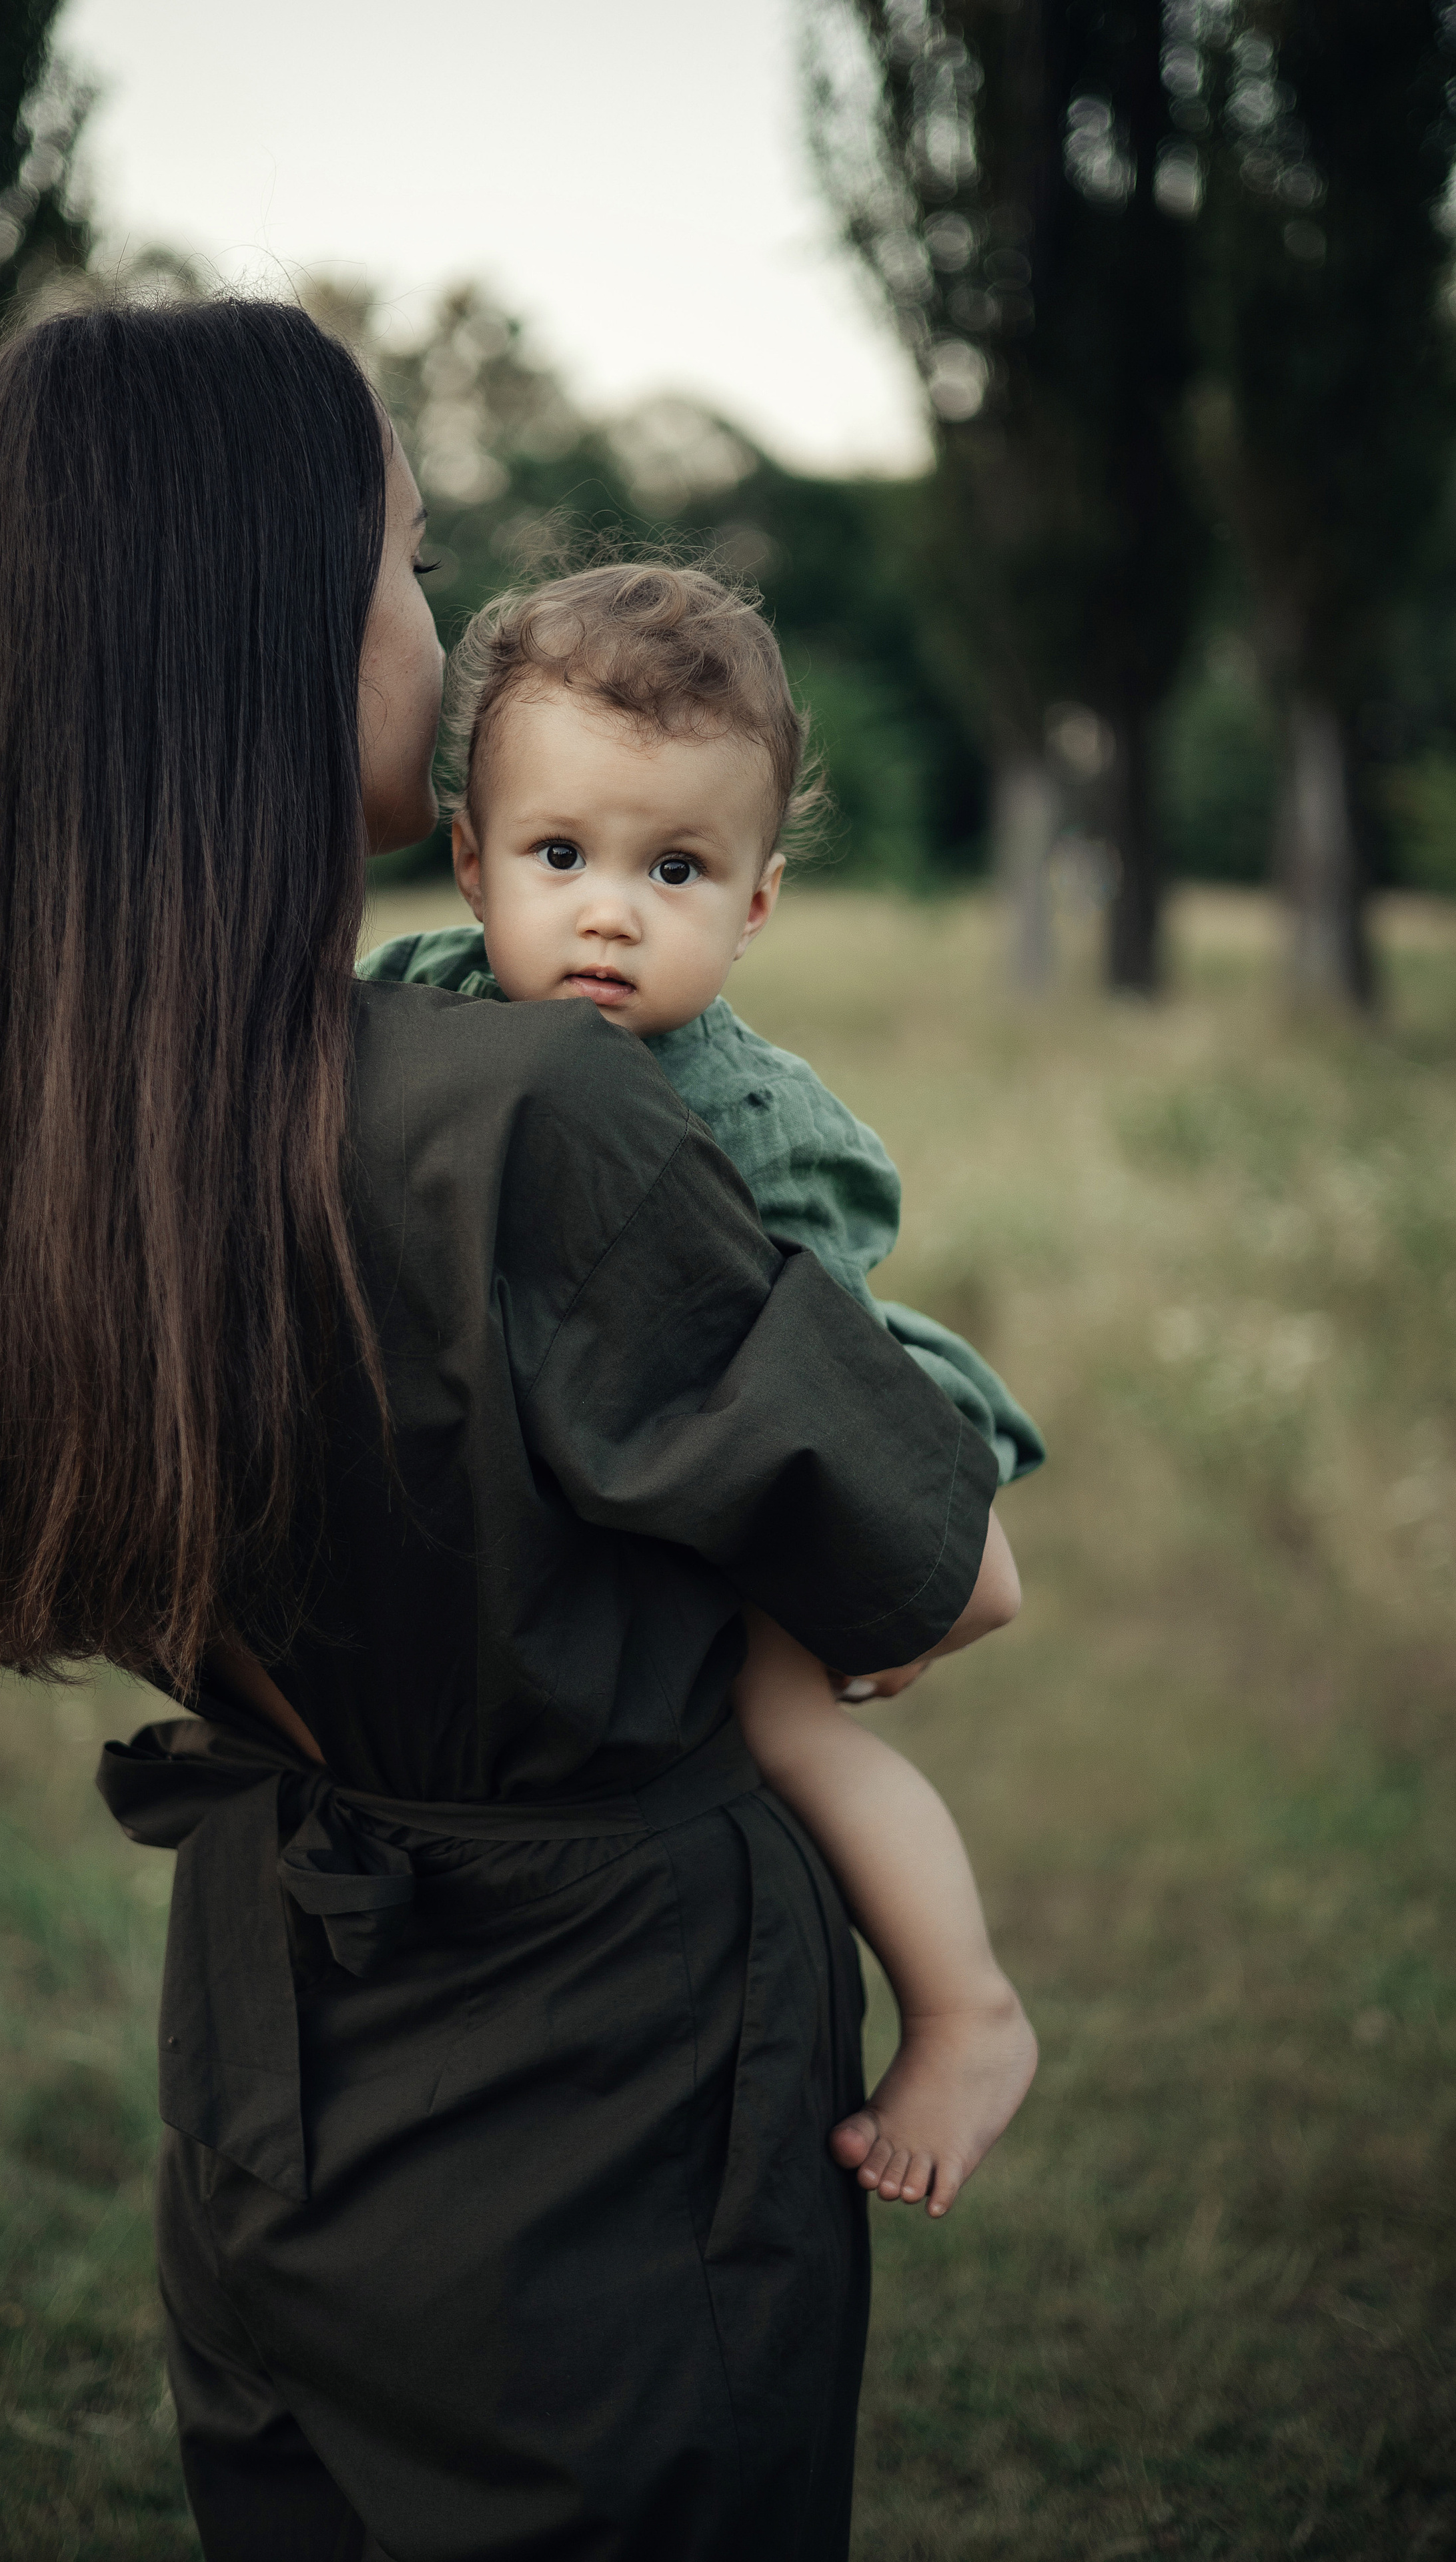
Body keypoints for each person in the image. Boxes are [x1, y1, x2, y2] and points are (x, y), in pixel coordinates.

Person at [0, 300, 1009, 2562]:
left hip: (267, 2073)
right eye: (407, 560)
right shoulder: (520, 1123)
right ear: (276, 633)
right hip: (604, 2097)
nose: (429, 623)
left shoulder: (40, 1140)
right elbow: (946, 1570)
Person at [359, 562, 1040, 2220]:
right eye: (559, 856)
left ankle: (965, 2009)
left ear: (752, 906)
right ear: (469, 861)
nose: (609, 910)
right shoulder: (428, 1006)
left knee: (780, 1711)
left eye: (674, 869)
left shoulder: (741, 1117)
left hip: (796, 1410)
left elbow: (794, 1351)